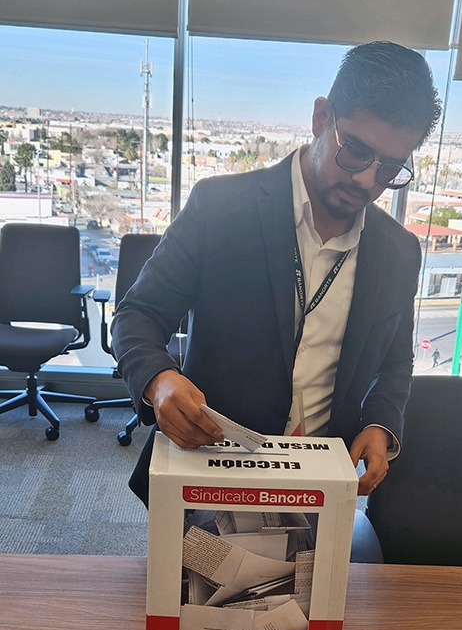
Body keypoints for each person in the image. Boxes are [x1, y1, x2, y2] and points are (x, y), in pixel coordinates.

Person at [111, 41, 442, 507]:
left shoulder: (399, 251)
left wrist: (380, 424)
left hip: (319, 486)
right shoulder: (221, 208)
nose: (367, 181)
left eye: (389, 168)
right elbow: (138, 314)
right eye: (356, 151)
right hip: (209, 469)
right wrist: (159, 380)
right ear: (321, 118)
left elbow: (394, 362)